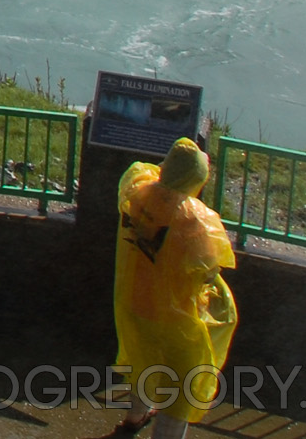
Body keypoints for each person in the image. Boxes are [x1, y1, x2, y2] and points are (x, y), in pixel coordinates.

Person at [108, 136, 238, 439]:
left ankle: (134, 420)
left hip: (136, 304)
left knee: (145, 363)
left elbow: (142, 172)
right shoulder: (195, 221)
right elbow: (208, 270)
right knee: (182, 388)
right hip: (176, 319)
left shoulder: (138, 193)